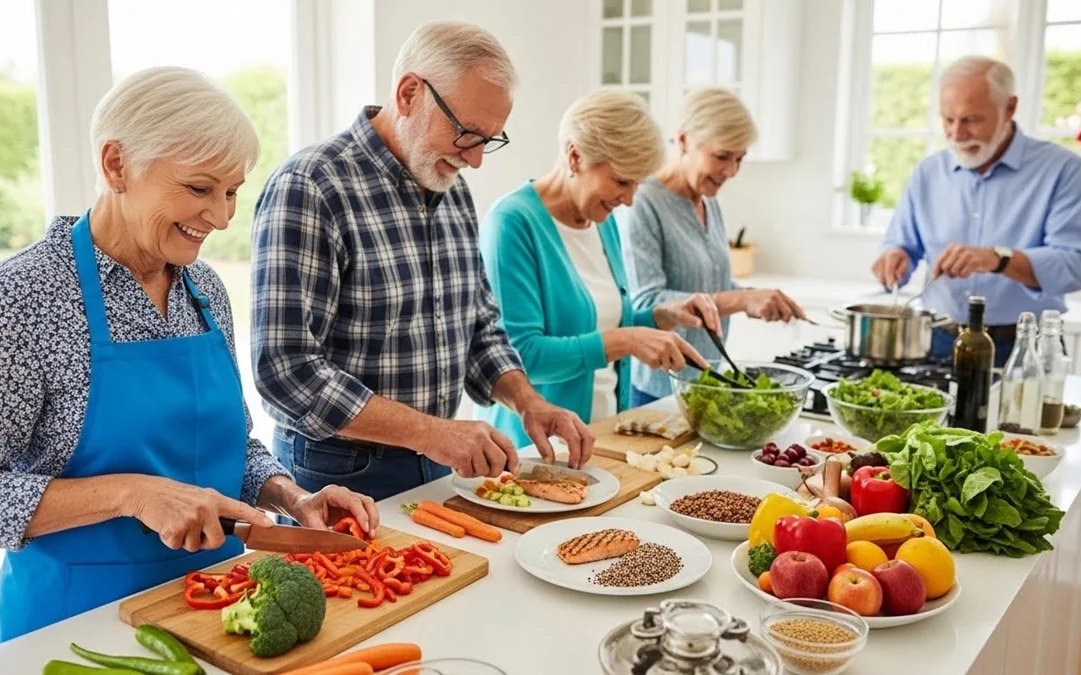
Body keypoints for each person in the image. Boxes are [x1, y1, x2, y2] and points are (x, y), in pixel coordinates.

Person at [0, 67, 377, 644]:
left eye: (232, 191)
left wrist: (291, 494)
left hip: (215, 611)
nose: (223, 216)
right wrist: (133, 493)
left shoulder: (203, 290)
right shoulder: (21, 301)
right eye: (199, 188)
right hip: (74, 632)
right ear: (116, 165)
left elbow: (225, 446)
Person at [251, 21, 594, 503]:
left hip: (436, 462)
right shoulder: (310, 186)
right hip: (338, 476)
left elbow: (480, 328)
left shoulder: (451, 189)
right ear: (409, 93)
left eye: (489, 140)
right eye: (467, 133)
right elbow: (285, 370)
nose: (475, 161)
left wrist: (528, 402)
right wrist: (432, 433)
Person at [475, 90, 721, 448]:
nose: (630, 199)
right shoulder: (512, 223)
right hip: (535, 448)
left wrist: (660, 317)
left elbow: (600, 325)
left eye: (637, 183)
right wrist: (626, 341)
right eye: (622, 181)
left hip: (600, 434)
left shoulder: (601, 220)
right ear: (575, 156)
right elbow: (518, 356)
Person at [873, 56, 1081, 366]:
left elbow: (1077, 265)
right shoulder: (927, 172)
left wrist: (998, 259)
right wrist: (895, 257)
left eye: (971, 119)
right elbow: (903, 245)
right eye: (947, 120)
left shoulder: (1062, 170)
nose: (956, 133)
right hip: (938, 340)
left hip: (1022, 348)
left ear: (1009, 108)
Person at [620, 87, 806, 407]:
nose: (731, 171)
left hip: (707, 384)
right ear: (683, 141)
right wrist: (742, 299)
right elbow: (646, 303)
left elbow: (712, 287)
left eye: (739, 159)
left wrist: (754, 299)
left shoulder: (708, 201)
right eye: (722, 157)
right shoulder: (643, 202)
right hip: (659, 388)